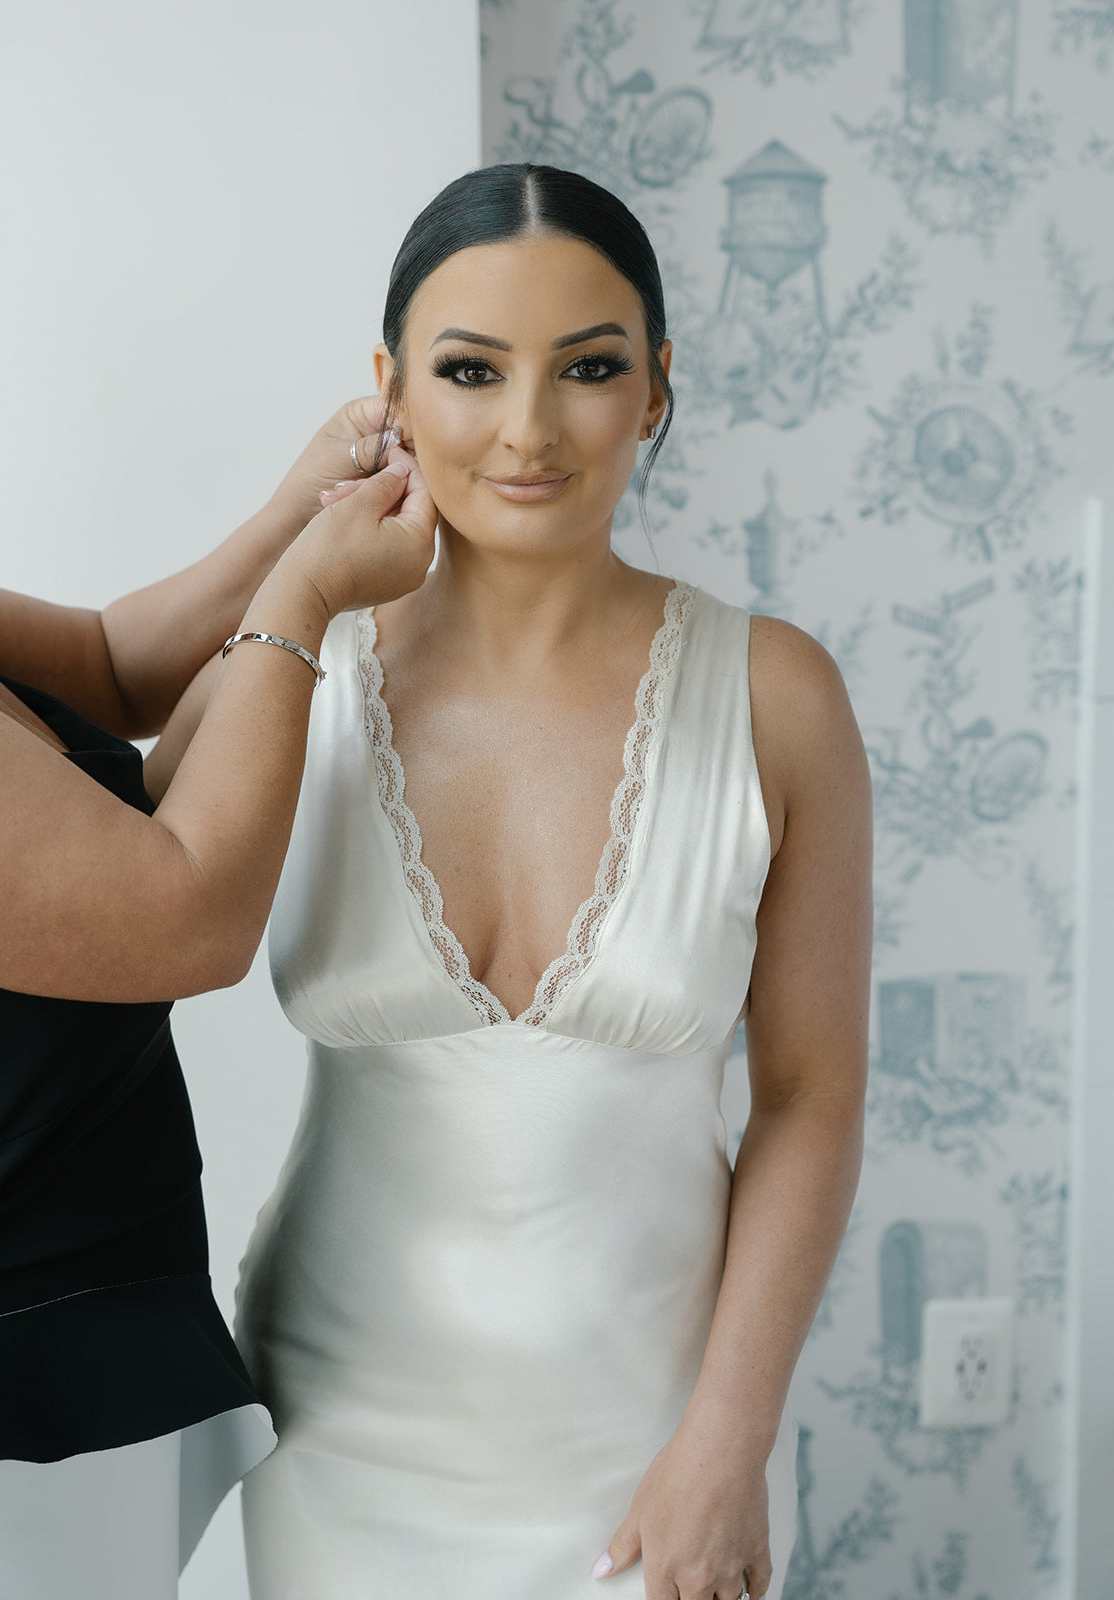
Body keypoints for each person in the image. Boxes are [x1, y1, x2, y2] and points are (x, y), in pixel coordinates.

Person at [234, 163, 872, 1600]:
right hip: (329, 1447)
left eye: (589, 368)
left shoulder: (776, 695)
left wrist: (729, 1434)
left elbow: (814, 1095)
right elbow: (123, 912)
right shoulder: (294, 668)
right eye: (471, 371)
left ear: (654, 390)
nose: (529, 430)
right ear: (389, 389)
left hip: (652, 1456)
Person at [0, 113, 435, 1600]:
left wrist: (299, 511)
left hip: (58, 1332)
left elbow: (105, 668)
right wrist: (312, 594)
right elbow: (186, 911)